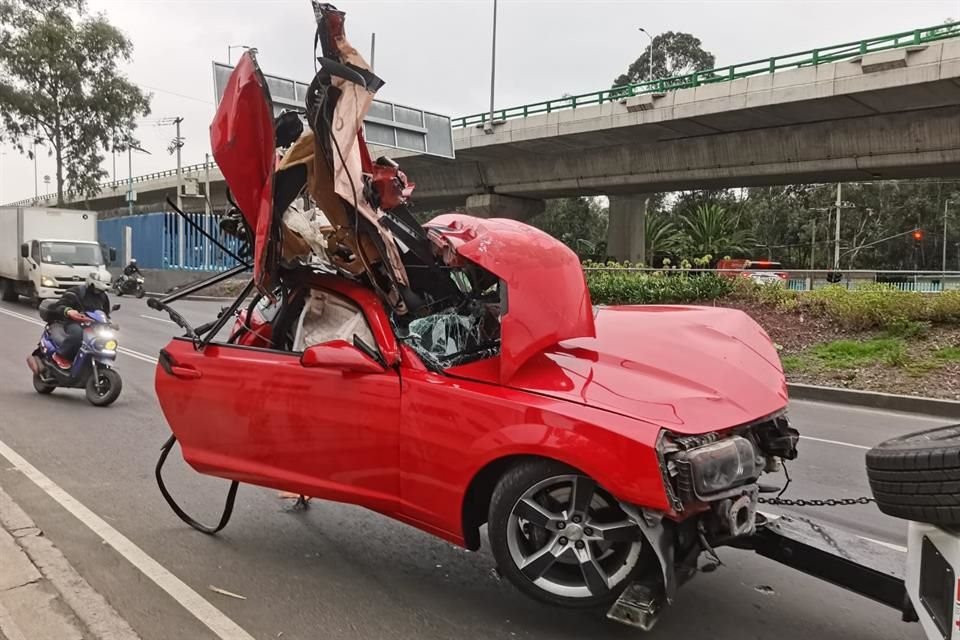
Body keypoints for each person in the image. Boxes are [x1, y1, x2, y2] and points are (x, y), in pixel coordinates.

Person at [49, 272, 112, 369]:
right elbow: (59, 306)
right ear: (91, 283)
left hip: (94, 325)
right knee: (78, 335)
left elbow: (105, 313)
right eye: (97, 290)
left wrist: (108, 323)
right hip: (73, 322)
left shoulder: (103, 296)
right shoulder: (75, 292)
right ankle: (61, 355)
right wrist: (69, 311)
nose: (99, 292)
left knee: (106, 339)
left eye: (101, 291)